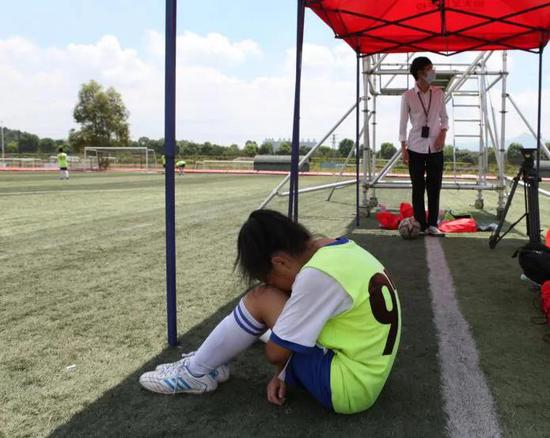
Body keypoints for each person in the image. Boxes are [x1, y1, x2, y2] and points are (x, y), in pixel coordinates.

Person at [139, 209, 401, 414]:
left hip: (347, 388)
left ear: (280, 262)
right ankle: (212, 361)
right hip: (370, 375)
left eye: (269, 278)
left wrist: (280, 371)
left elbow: (275, 353)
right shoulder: (344, 248)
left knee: (261, 298)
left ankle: (195, 373)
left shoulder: (316, 274)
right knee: (274, 312)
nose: (273, 284)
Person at [399, 56, 449, 236]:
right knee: (418, 188)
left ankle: (433, 224)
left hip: (436, 147)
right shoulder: (408, 96)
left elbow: (444, 118)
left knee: (434, 187)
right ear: (420, 73)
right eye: (429, 69)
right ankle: (420, 224)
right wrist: (403, 149)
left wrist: (442, 135)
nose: (433, 71)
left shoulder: (439, 93)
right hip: (415, 147)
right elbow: (403, 124)